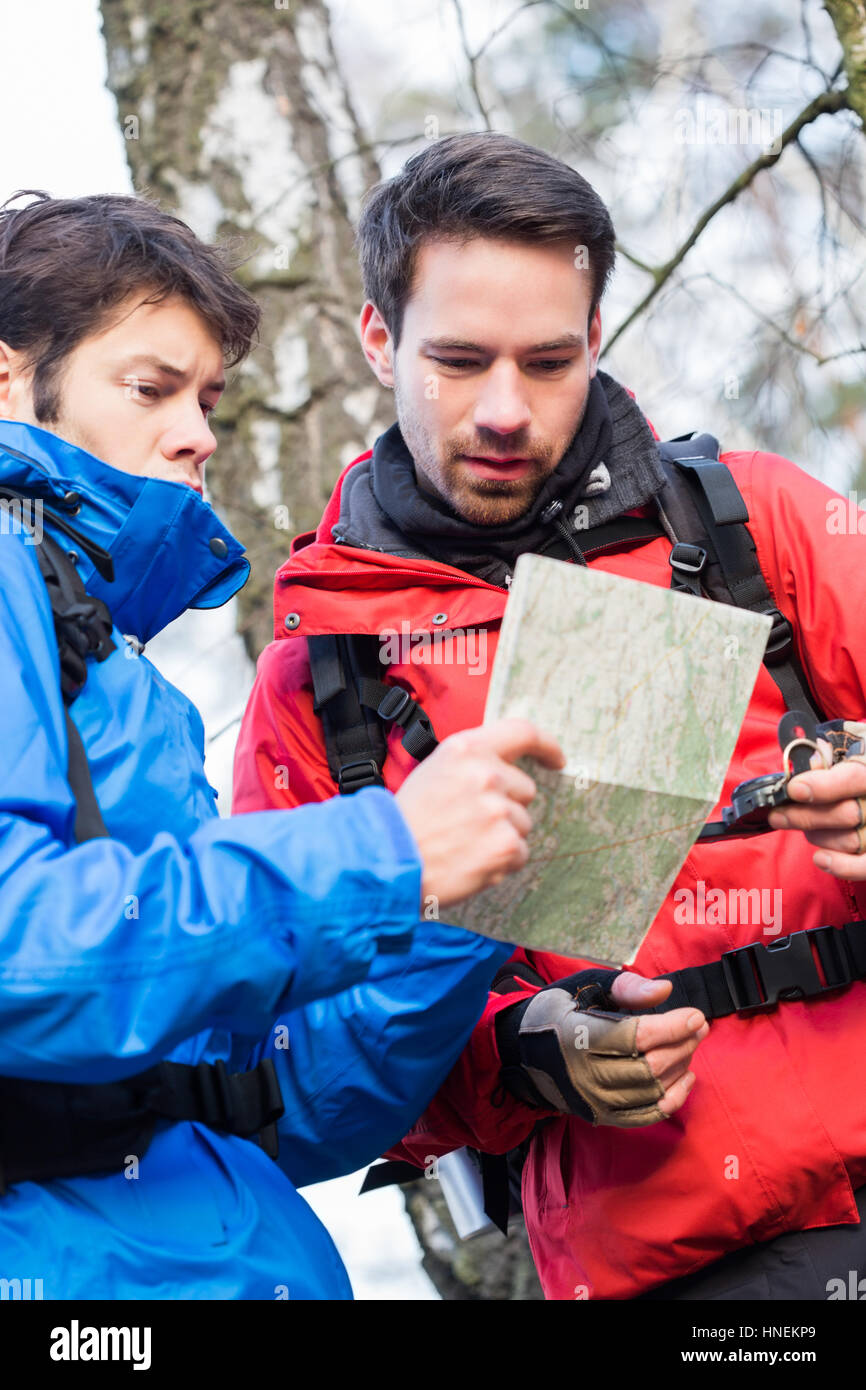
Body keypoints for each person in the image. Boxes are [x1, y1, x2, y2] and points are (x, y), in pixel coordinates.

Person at [234, 132, 866, 1301]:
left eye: (549, 359)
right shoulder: (323, 680)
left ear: (596, 340)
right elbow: (305, 1064)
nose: (505, 412)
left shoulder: (749, 523)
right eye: (460, 361)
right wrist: (518, 1057)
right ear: (378, 340)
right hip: (678, 1265)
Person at [0, 188, 568, 1300]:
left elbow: (266, 1104)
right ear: (9, 377)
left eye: (207, 397)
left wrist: (469, 907)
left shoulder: (116, 668)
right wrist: (386, 852)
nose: (198, 432)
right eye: (151, 387)